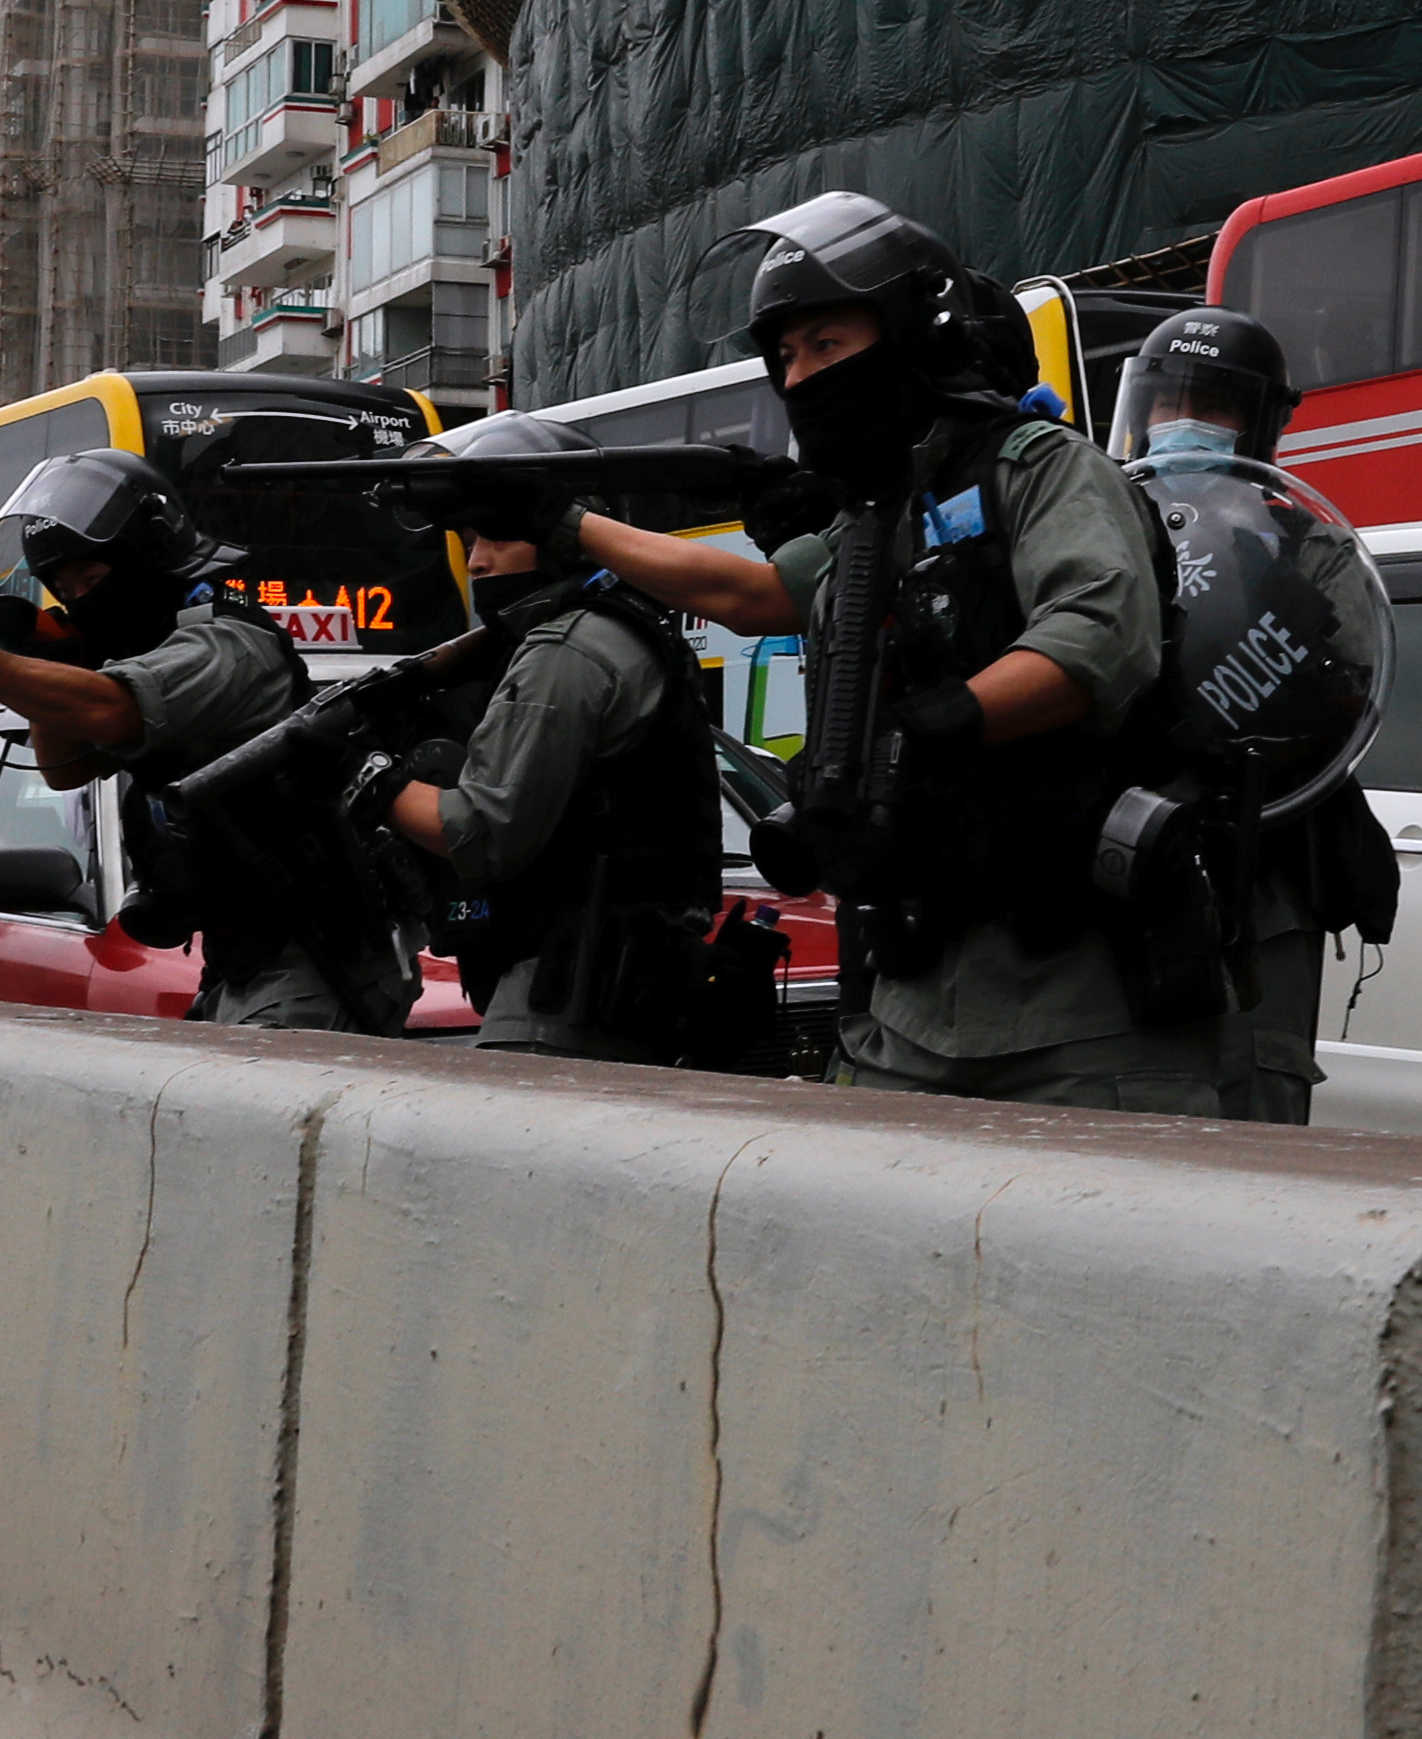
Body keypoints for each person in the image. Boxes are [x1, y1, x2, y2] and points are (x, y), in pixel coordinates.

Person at [504, 190, 1215, 1113]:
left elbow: (1098, 636)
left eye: (828, 347)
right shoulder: (874, 517)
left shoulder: (1037, 466)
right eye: (786, 356)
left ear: (915, 335)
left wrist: (937, 724)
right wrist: (562, 523)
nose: (800, 379)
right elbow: (745, 592)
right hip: (910, 999)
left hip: (1076, 999)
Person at [0, 447, 418, 1033]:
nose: (81, 600)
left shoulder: (228, 645)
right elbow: (65, 767)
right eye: (64, 589)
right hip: (250, 956)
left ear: (146, 560)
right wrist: (50, 654)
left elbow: (113, 710)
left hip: (315, 955)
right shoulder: (142, 649)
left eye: (92, 578)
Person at [1105, 306, 1398, 1122]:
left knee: (1258, 1093)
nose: (1183, 423)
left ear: (1258, 425)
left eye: (1215, 407)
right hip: (1131, 851)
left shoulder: (1307, 543)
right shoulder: (1104, 531)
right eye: (1166, 404)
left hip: (1266, 864)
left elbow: (1353, 682)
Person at [375, 412, 734, 1062]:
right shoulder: (613, 626)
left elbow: (480, 832)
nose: (478, 559)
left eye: (499, 536)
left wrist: (370, 779)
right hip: (596, 981)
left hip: (565, 995)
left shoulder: (566, 648)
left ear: (557, 536)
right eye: (468, 537)